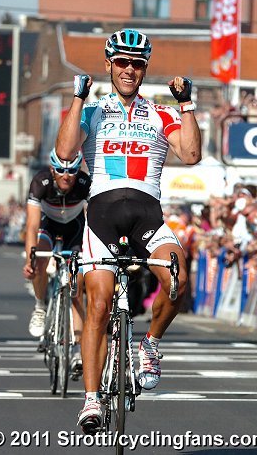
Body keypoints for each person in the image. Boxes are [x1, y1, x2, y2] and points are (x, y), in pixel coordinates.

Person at [55, 29, 201, 433]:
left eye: (137, 63)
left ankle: (149, 345)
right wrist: (78, 99)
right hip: (100, 219)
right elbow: (66, 151)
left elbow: (191, 153)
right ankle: (90, 400)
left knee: (177, 279)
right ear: (109, 64)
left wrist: (186, 103)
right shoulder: (93, 110)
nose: (129, 70)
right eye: (122, 62)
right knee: (98, 304)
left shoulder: (159, 112)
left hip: (146, 217)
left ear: (144, 68)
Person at [22, 148, 89, 372]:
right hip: (47, 225)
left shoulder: (84, 183)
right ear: (52, 169)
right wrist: (31, 259)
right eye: (60, 170)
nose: (66, 175)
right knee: (39, 262)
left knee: (77, 288)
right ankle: (40, 307)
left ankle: (78, 350)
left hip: (75, 229)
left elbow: (96, 220)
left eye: (71, 171)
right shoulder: (40, 182)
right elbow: (31, 226)